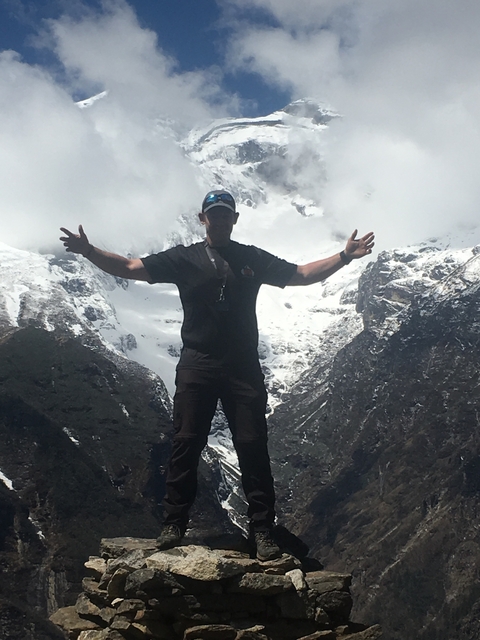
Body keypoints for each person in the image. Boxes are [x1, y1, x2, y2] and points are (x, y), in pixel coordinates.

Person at [60, 190, 374, 561]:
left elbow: (301, 275)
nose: (220, 220)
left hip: (242, 367)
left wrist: (343, 257)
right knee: (186, 442)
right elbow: (131, 269)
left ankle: (262, 531)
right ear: (202, 218)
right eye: (214, 214)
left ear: (235, 219)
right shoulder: (183, 258)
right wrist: (90, 251)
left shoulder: (251, 258)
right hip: (198, 363)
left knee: (252, 446)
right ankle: (174, 524)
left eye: (226, 214)